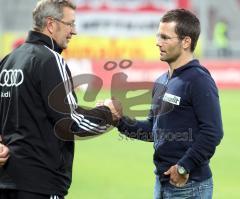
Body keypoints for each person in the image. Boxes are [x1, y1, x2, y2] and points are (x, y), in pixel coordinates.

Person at [0, 0, 121, 199]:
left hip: (6, 181)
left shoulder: (8, 60)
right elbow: (70, 122)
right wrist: (108, 114)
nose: (74, 31)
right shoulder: (49, 59)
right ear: (51, 24)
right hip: (40, 183)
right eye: (70, 24)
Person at [101, 9, 224, 199]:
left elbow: (213, 132)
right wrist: (118, 119)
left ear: (186, 41)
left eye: (166, 38)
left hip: (189, 185)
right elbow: (153, 129)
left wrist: (184, 167)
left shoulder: (198, 80)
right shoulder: (161, 81)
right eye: (159, 36)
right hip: (162, 183)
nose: (158, 42)